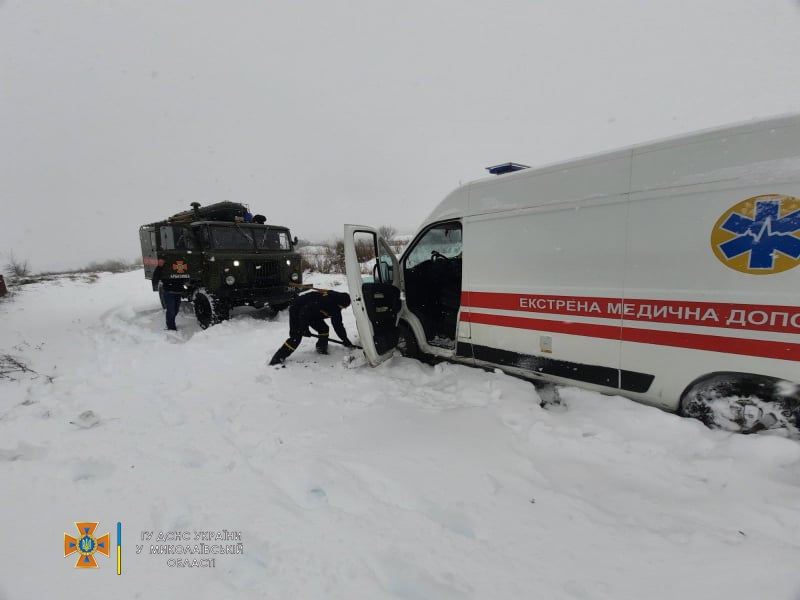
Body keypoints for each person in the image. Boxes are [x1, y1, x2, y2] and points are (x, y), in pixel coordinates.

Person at [269, 290, 353, 365]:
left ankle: (321, 348)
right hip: (297, 309)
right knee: (296, 337)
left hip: (312, 313)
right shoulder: (325, 301)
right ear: (338, 303)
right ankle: (277, 359)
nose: (344, 308)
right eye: (343, 306)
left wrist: (344, 339)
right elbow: (304, 312)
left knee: (323, 329)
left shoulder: (336, 307)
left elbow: (338, 325)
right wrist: (305, 328)